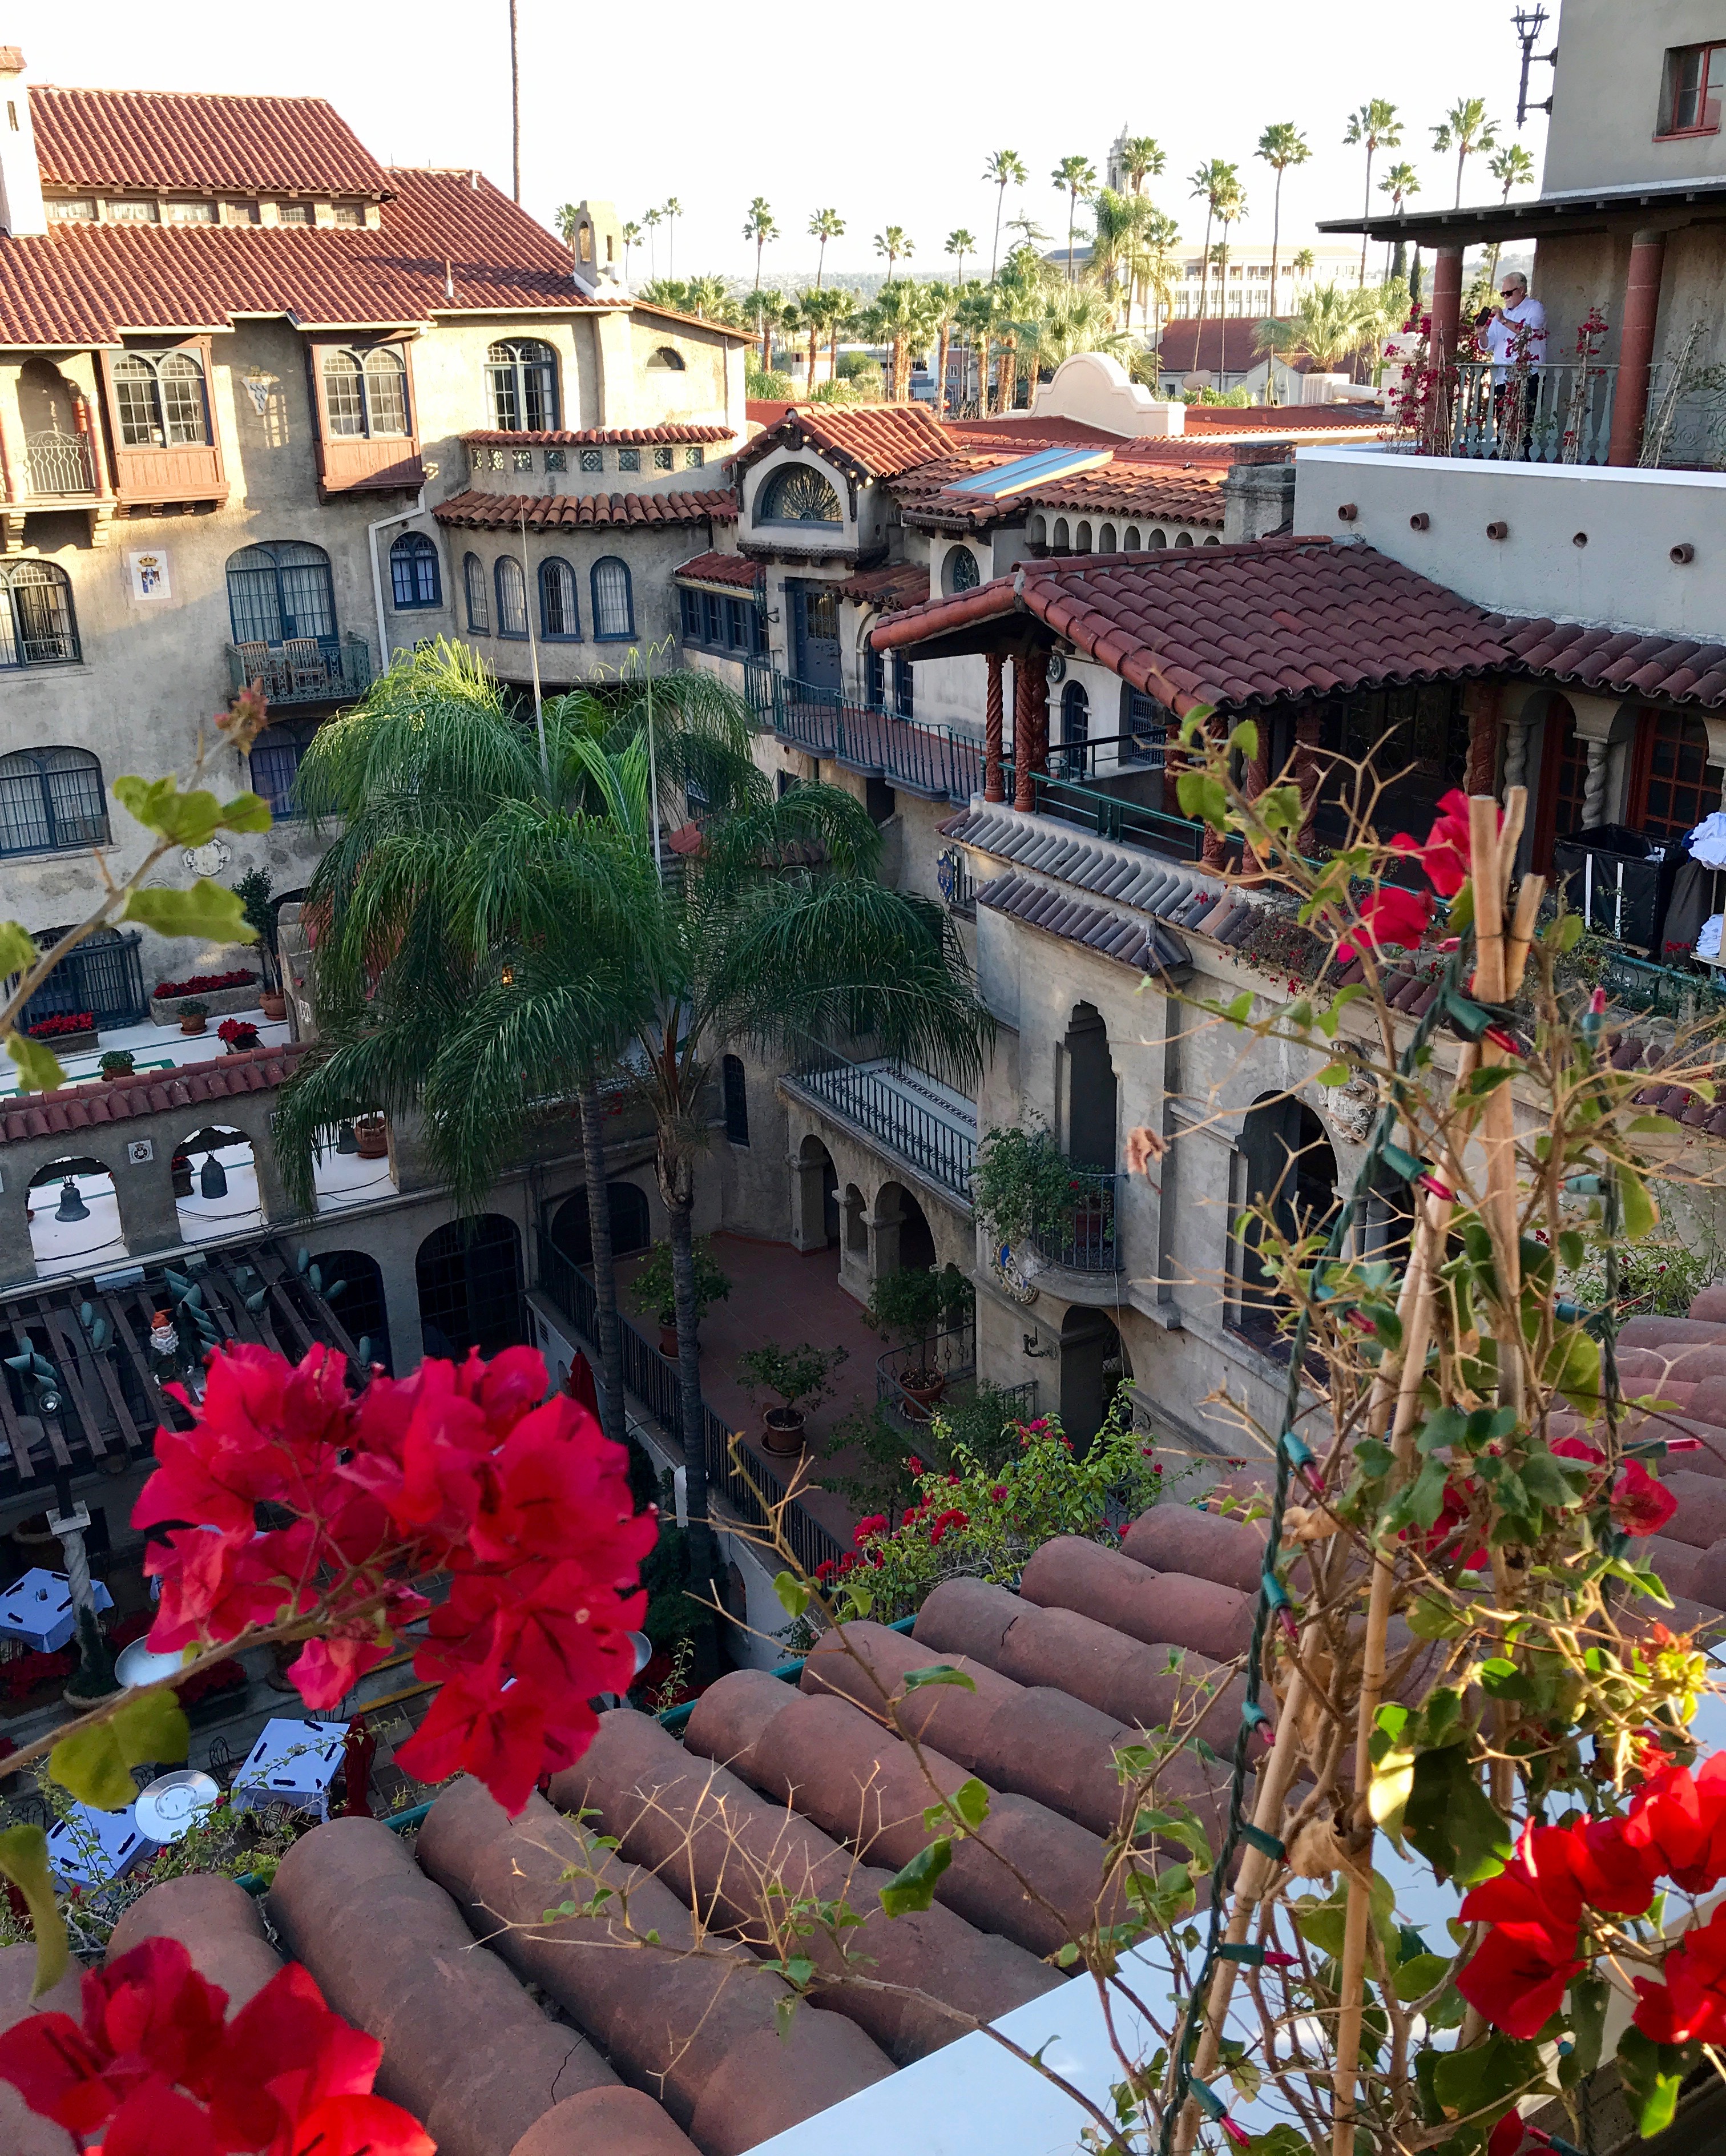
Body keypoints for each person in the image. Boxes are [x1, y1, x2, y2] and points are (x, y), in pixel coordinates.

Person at [1481, 271, 1546, 454]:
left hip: (1528, 375)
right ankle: (1504, 454)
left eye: (1508, 293)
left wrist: (1502, 319)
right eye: (1503, 294)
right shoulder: (1499, 317)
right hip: (1503, 377)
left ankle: (1524, 458)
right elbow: (1489, 345)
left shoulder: (1535, 308)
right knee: (1502, 421)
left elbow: (1530, 333)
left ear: (1522, 290)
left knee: (1526, 421)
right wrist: (1481, 333)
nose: (1505, 297)